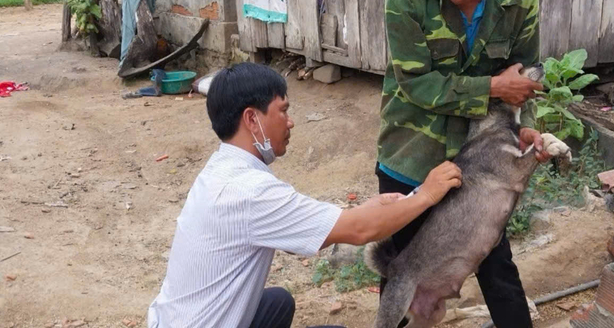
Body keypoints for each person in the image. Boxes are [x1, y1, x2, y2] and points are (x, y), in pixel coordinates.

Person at [147, 62, 463, 328]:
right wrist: (426, 193)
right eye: (282, 110)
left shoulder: (224, 169)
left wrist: (365, 209)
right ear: (251, 119)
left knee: (277, 302)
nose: (291, 121)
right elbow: (359, 230)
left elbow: (324, 227)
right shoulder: (247, 192)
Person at [377, 0, 550, 328]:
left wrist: (525, 129)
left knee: (496, 266)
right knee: (403, 270)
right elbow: (417, 85)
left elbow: (525, 81)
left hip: (482, 157)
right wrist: (494, 87)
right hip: (412, 152)